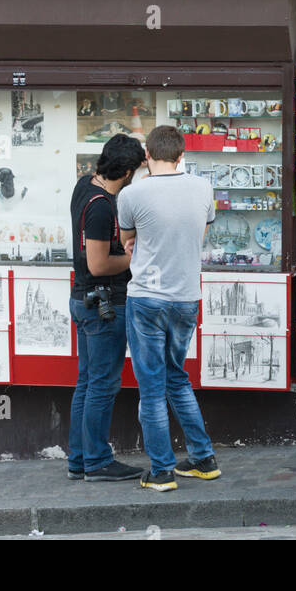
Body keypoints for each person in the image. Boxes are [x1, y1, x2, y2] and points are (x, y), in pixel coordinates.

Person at [118, 125, 219, 491]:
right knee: (177, 377)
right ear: (182, 155)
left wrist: (138, 247)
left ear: (147, 155)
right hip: (186, 297)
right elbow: (200, 235)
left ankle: (161, 470)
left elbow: (127, 239)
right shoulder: (202, 187)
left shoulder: (132, 193)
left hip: (146, 297)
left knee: (151, 386)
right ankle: (203, 458)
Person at [68, 132, 145, 482]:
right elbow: (99, 264)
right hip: (103, 302)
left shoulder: (85, 185)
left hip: (85, 299)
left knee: (87, 382)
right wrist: (131, 258)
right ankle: (97, 461)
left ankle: (80, 458)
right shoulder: (100, 205)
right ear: (127, 171)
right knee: (102, 384)